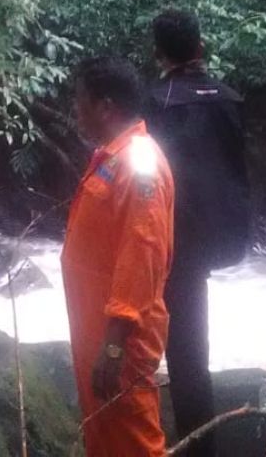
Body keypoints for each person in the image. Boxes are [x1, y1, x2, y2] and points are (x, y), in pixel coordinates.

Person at [146, 10, 251, 457]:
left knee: (178, 352)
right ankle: (199, 443)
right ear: (200, 47)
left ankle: (183, 443)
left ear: (158, 53)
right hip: (219, 233)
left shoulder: (156, 101)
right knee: (192, 352)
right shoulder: (229, 99)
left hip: (172, 236)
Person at [62, 56, 175, 457]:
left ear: (105, 106)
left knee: (135, 439)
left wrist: (115, 341)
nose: (76, 111)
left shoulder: (140, 163)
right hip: (96, 329)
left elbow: (143, 249)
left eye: (81, 101)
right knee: (105, 434)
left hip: (121, 337)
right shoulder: (116, 155)